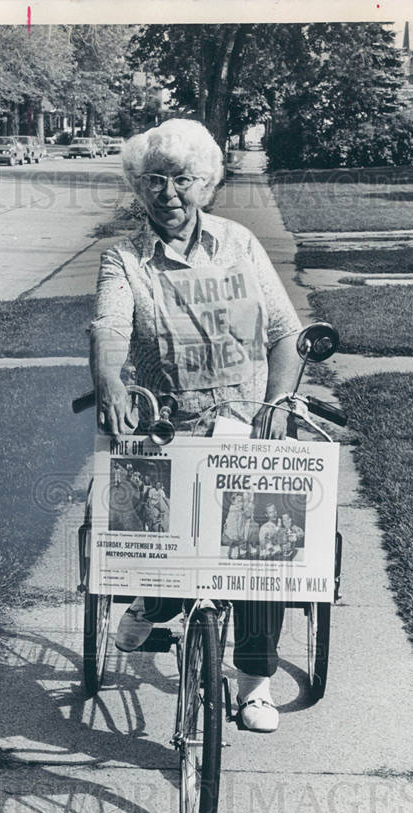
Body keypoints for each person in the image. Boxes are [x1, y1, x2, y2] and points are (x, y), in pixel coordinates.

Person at [89, 119, 304, 733]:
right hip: (166, 427)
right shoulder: (124, 259)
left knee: (264, 548)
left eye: (182, 179)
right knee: (164, 546)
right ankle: (148, 603)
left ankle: (255, 682)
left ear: (205, 183)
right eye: (154, 180)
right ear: (138, 187)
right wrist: (109, 380)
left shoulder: (239, 243)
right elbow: (108, 330)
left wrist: (279, 405)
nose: (169, 193)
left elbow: (287, 334)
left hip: (246, 423)